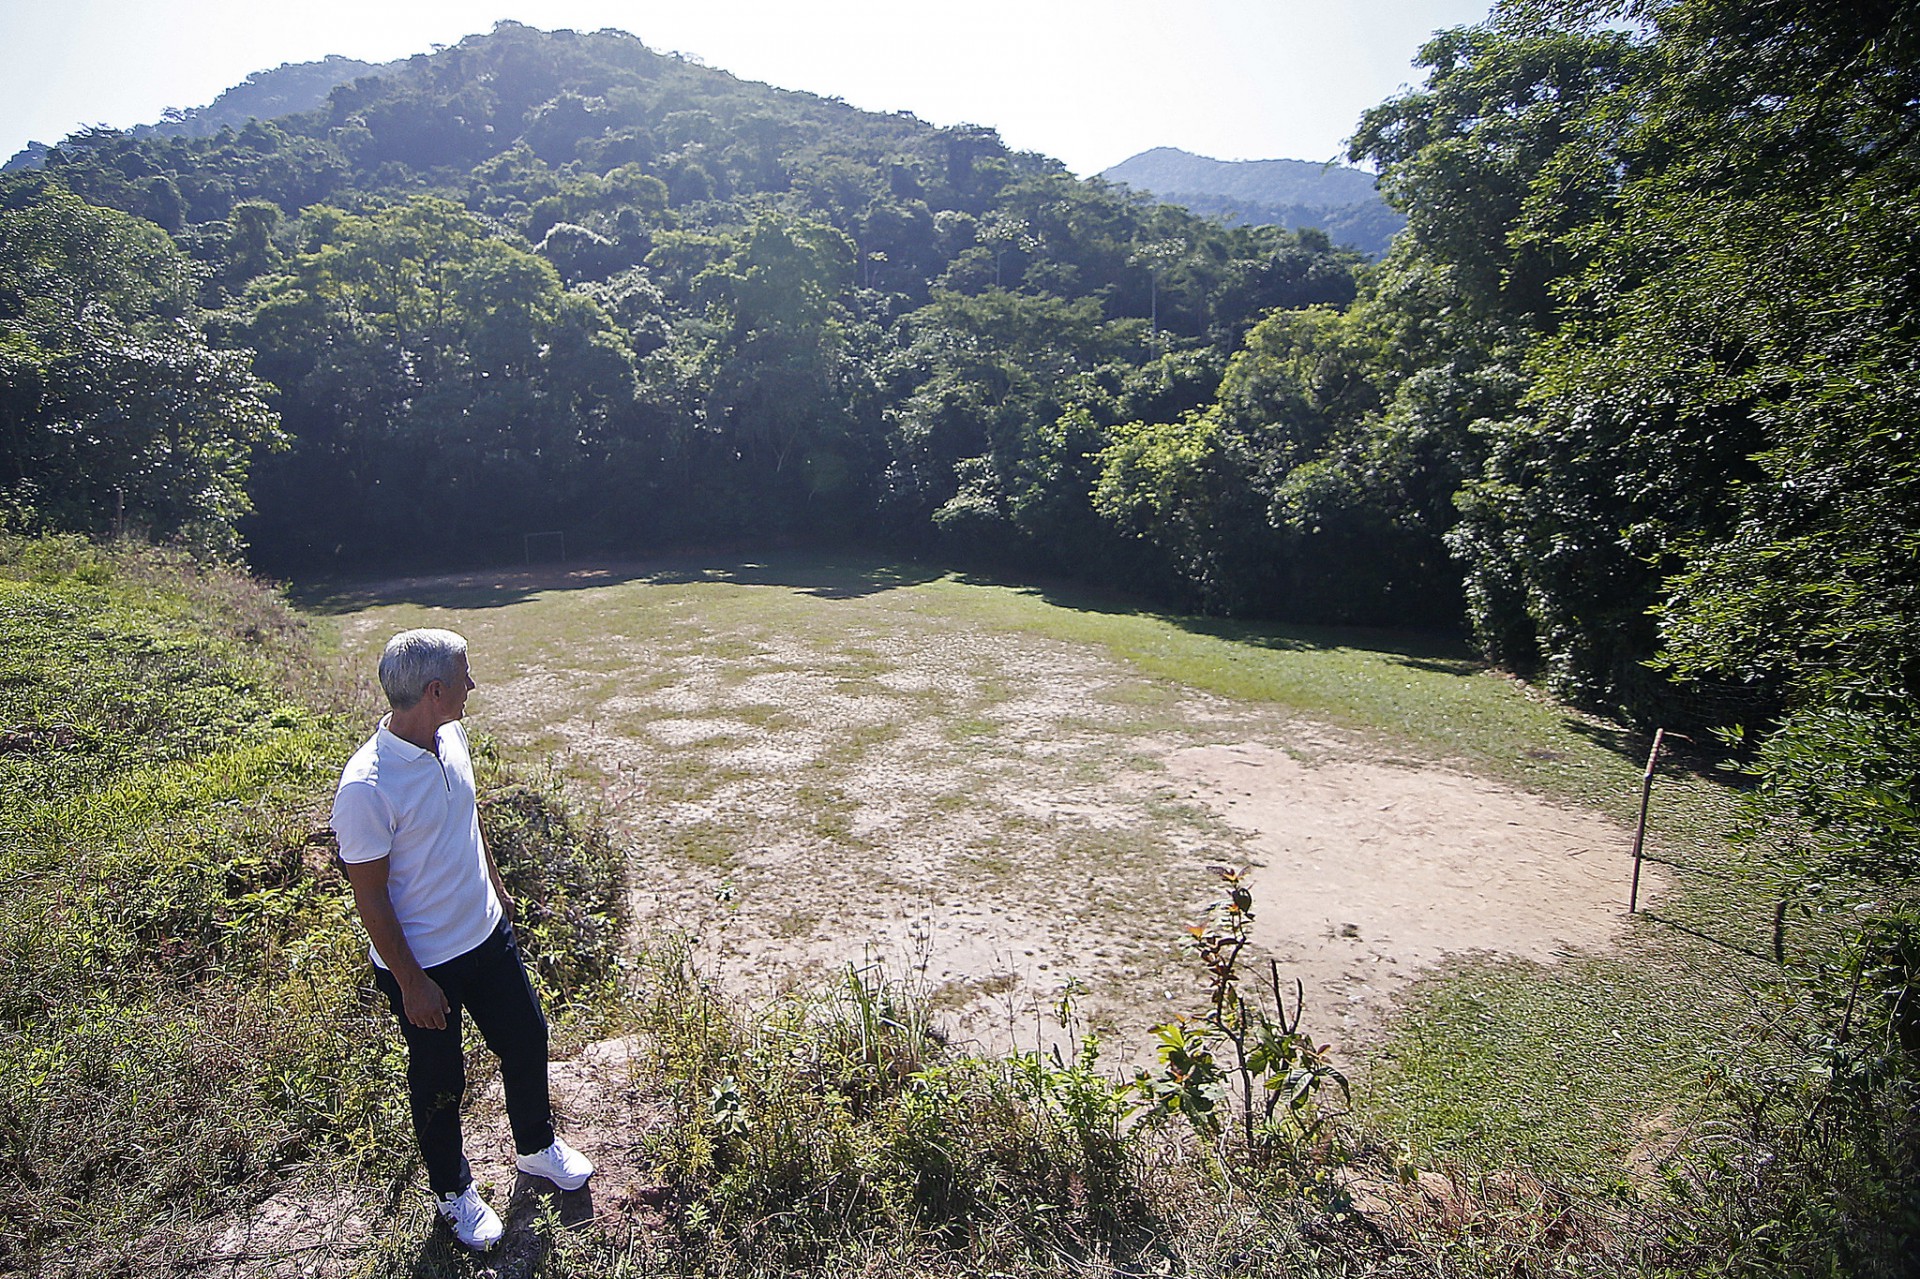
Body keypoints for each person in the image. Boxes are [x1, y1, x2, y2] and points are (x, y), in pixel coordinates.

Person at [331, 627, 593, 1251]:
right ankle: (453, 1193)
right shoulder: (366, 788)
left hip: (485, 934)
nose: (472, 685)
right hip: (426, 965)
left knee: (526, 1038)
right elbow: (370, 898)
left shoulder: (452, 736)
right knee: (441, 1082)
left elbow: (468, 817)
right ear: (434, 690)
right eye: (464, 676)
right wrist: (412, 982)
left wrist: (497, 890)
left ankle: (535, 1146)